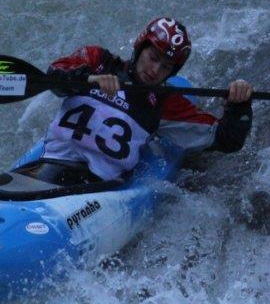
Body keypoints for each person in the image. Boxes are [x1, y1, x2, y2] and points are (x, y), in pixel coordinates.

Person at [14, 17, 253, 185]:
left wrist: (238, 105)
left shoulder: (166, 102)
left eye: (166, 67)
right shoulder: (97, 60)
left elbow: (225, 139)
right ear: (140, 47)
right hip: (50, 165)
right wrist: (88, 79)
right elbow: (53, 77)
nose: (155, 70)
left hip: (96, 186)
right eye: (153, 57)